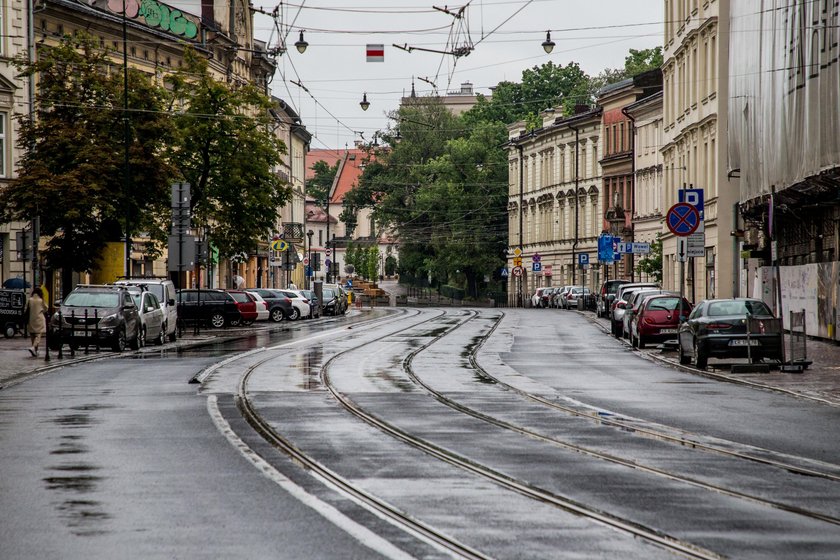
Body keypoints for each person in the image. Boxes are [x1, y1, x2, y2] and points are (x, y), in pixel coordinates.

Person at [24, 287, 48, 357]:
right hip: (39, 319)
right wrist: (41, 311)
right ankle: (33, 348)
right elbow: (46, 308)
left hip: (31, 319)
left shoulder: (30, 300)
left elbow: (26, 309)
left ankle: (35, 351)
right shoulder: (41, 300)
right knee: (38, 335)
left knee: (32, 335)